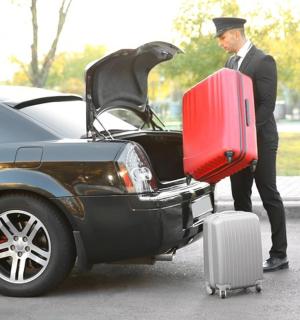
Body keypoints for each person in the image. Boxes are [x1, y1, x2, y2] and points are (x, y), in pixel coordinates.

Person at [212, 17, 288, 272]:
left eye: (222, 38)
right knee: (240, 198)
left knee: (269, 195)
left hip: (261, 140)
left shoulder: (263, 61)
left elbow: (266, 107)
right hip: (238, 142)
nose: (221, 43)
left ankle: (280, 254)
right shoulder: (230, 62)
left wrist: (246, 134)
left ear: (234, 34)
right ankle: (246, 254)